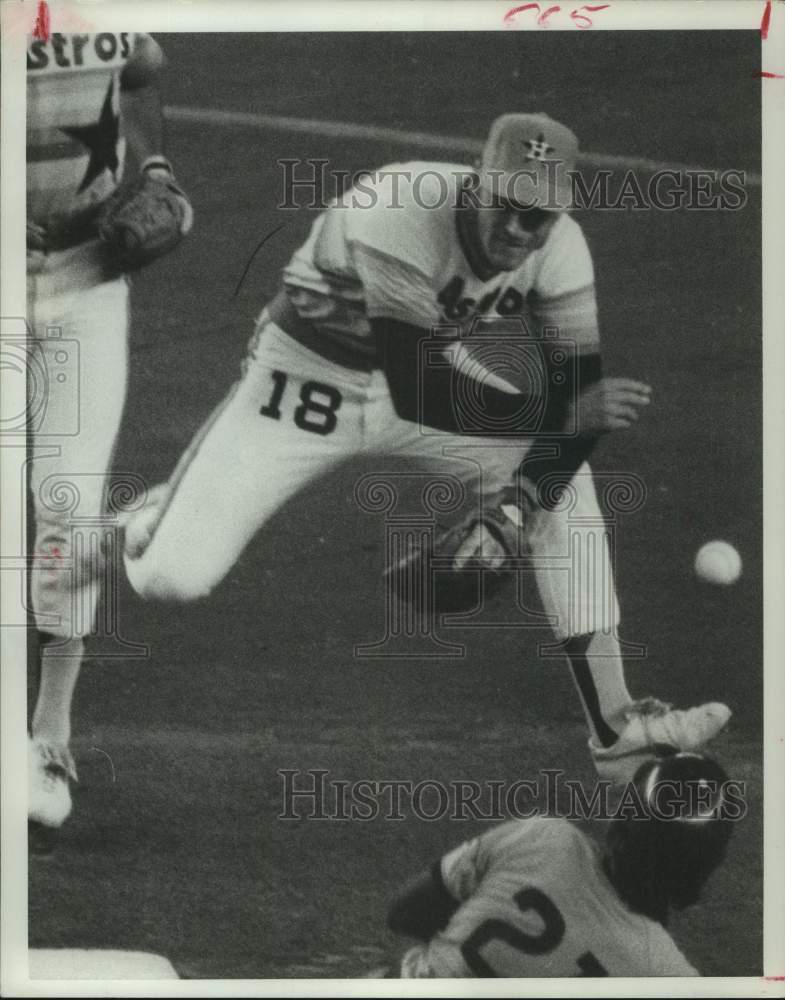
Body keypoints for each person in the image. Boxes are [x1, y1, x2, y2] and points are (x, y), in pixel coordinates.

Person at [123, 112, 729, 781]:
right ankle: (143, 519)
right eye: (504, 206)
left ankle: (616, 728)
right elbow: (419, 390)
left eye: (537, 217)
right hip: (306, 379)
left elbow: (577, 407)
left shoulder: (562, 249)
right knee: (170, 578)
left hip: (429, 374)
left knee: (562, 480)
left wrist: (516, 507)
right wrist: (558, 421)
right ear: (476, 185)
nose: (516, 231)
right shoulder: (402, 206)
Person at [26, 31, 192, 842]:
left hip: (88, 276)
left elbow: (144, 73)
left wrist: (155, 168)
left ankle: (49, 735)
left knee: (69, 506)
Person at [388, 750, 735, 977]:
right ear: (702, 869)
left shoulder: (543, 837)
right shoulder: (668, 975)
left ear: (621, 823)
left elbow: (405, 913)